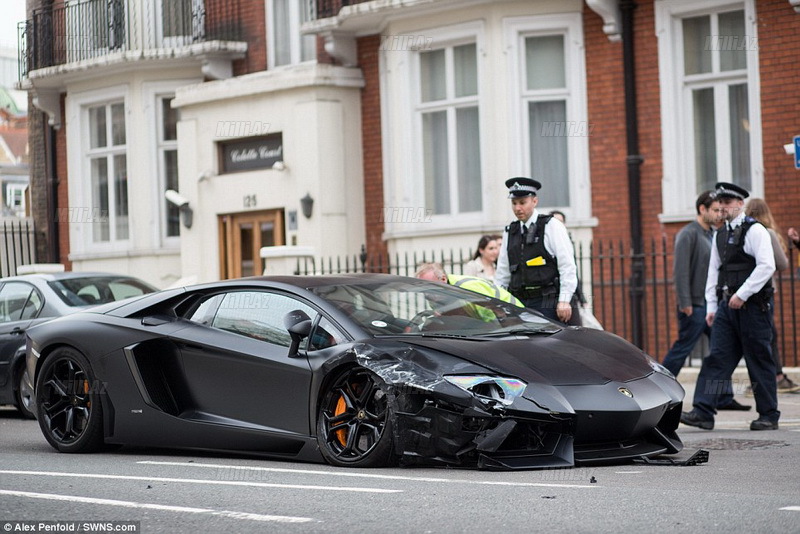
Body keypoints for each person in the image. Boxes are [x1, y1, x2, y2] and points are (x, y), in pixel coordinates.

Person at [681, 182, 779, 431]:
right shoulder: (720, 234)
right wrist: (712, 307)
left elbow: (767, 266)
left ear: (740, 204)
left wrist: (743, 294)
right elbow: (714, 272)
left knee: (758, 359)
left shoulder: (756, 231)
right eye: (720, 203)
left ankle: (768, 415)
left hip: (754, 308)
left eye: (727, 202)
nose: (723, 207)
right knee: (717, 358)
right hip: (727, 308)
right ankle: (703, 411)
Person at [661, 191, 749, 410]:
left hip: (710, 305)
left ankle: (723, 397)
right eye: (715, 210)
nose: (720, 214)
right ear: (702, 209)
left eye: (722, 210)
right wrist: (685, 303)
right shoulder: (688, 234)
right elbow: (679, 272)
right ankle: (660, 390)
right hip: (693, 306)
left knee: (722, 350)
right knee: (681, 350)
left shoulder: (710, 233)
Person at [495, 177, 577, 323]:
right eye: (514, 203)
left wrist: (564, 300)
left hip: (547, 302)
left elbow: (567, 265)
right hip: (518, 302)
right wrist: (498, 301)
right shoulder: (510, 231)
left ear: (534, 201)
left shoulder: (551, 225)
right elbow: (503, 273)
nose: (517, 208)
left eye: (522, 202)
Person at [745, 198, 799, 394]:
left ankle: (762, 379)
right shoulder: (766, 233)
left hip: (744, 292)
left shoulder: (743, 234)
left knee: (757, 337)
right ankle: (774, 378)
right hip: (764, 292)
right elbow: (782, 263)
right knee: (768, 336)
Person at [415, 262, 523, 307]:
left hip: (516, 314)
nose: (427, 294)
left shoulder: (466, 287)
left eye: (431, 287)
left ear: (443, 278)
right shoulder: (435, 296)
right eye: (424, 289)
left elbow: (490, 315)